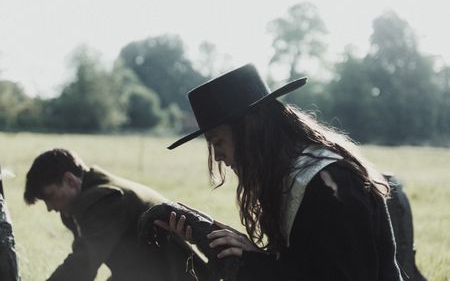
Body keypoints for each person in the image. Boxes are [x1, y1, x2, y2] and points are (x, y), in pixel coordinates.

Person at [157, 64, 404, 280]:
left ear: (251, 130)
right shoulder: (295, 178)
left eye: (218, 142)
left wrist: (251, 260)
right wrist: (244, 250)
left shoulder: (328, 184)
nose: (218, 156)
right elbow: (304, 267)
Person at [24, 148, 209, 281]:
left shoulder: (103, 200)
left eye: (50, 196)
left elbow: (83, 264)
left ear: (69, 180)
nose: (49, 208)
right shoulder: (93, 193)